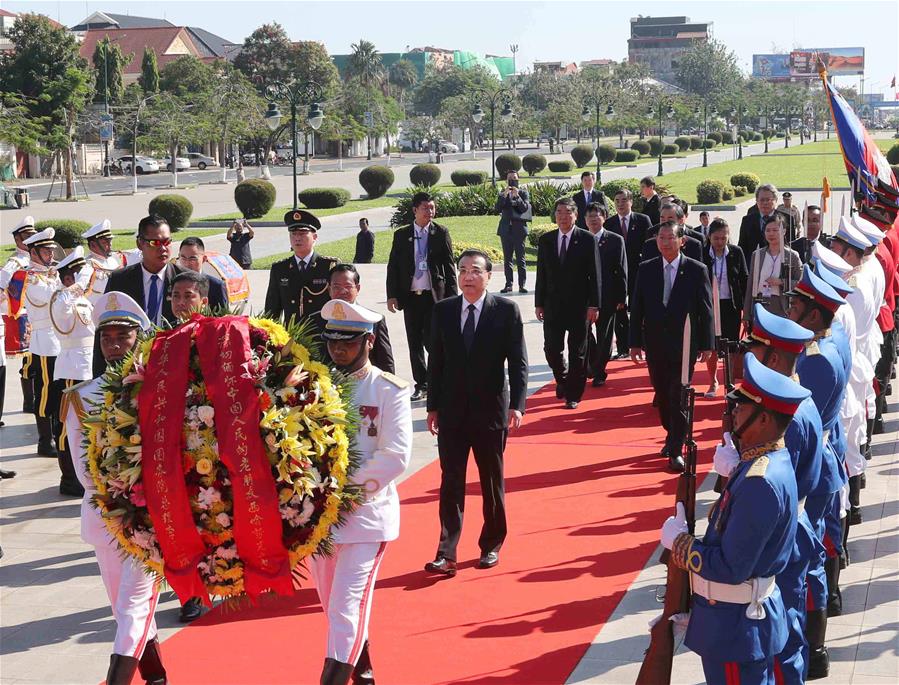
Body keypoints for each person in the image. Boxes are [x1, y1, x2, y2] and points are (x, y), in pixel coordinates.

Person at [660, 353, 809, 685]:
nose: (734, 412)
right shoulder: (762, 463)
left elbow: (731, 566)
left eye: (743, 408)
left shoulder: (761, 483)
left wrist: (681, 545)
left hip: (734, 628)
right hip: (732, 621)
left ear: (764, 421)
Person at [63, 291, 167, 685]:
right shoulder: (81, 397)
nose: (113, 344)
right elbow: (81, 467)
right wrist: (116, 497)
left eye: (123, 336)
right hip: (107, 516)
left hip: (151, 519)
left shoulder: (161, 390)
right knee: (122, 607)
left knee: (135, 605)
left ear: (139, 338)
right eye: (107, 337)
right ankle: (157, 677)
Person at [719, 305, 823, 684]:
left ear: (775, 356)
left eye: (757, 350)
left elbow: (769, 492)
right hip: (790, 525)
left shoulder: (785, 420)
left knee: (781, 646)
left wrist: (735, 468)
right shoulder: (794, 401)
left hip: (781, 536)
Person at [312, 298, 412, 685]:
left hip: (365, 518)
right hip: (320, 522)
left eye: (348, 342)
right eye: (333, 342)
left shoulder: (388, 390)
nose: (338, 350)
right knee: (333, 608)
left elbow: (395, 457)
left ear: (368, 341)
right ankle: (364, 674)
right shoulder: (313, 386)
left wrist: (339, 490)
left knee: (345, 608)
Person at [424, 249, 527, 576]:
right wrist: (433, 406)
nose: (468, 277)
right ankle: (446, 553)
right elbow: (436, 362)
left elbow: (519, 362)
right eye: (463, 270)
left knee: (491, 481)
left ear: (488, 276)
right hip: (452, 412)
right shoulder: (443, 311)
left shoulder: (506, 311)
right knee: (450, 481)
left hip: (491, 412)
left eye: (476, 271)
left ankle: (491, 543)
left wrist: (517, 405)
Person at [784, 265, 848, 679]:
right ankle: (814, 649)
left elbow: (800, 425)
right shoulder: (828, 340)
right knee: (812, 556)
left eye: (795, 304)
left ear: (811, 315)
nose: (790, 309)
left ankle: (813, 651)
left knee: (804, 563)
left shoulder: (814, 361)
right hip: (824, 455)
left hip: (813, 467)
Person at [629, 221, 714, 470]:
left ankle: (677, 447)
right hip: (655, 343)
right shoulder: (646, 269)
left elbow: (706, 310)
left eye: (670, 238)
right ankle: (671, 433)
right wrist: (634, 343)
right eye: (661, 238)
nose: (665, 242)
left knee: (679, 395)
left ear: (682, 241)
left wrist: (707, 344)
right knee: (663, 396)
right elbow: (638, 307)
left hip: (684, 343)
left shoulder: (696, 270)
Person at [385, 192, 458, 401]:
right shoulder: (401, 235)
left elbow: (449, 267)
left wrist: (453, 298)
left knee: (433, 341)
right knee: (414, 342)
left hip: (434, 297)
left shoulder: (440, 233)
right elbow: (393, 267)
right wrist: (392, 295)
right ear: (415, 210)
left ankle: (439, 380)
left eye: (432, 208)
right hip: (410, 298)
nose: (430, 212)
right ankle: (422, 384)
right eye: (426, 208)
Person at [535, 198, 599, 409]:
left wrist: (594, 305)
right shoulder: (546, 240)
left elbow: (595, 275)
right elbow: (541, 274)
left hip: (579, 306)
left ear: (575, 215)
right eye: (559, 212)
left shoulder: (587, 239)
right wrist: (539, 303)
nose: (563, 216)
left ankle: (574, 394)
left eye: (567, 212)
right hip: (552, 305)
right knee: (551, 348)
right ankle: (562, 379)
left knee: (578, 352)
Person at [49, 247, 92, 497]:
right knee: (67, 427)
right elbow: (62, 312)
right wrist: (76, 286)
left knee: (85, 426)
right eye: (77, 273)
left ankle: (82, 472)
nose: (83, 279)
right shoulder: (60, 298)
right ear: (67, 278)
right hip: (70, 370)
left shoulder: (80, 298)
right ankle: (69, 478)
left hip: (86, 369)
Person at [311, 264, 395, 373]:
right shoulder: (315, 319)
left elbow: (385, 361)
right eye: (336, 287)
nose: (342, 291)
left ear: (358, 288)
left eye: (348, 286)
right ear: (329, 289)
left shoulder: (373, 319)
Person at [23, 228, 62, 458]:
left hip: (58, 340)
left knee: (58, 390)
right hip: (44, 342)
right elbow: (53, 298)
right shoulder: (33, 279)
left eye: (51, 250)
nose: (50, 254)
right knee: (46, 392)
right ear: (34, 252)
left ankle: (56, 434)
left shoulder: (51, 274)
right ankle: (44, 441)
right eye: (45, 251)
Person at [264, 209, 338, 332]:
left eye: (303, 233)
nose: (297, 238)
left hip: (323, 337)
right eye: (293, 234)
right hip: (292, 339)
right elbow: (272, 310)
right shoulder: (280, 269)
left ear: (314, 237)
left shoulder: (329, 266)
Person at [701, 219, 748, 397]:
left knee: (731, 345)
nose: (720, 242)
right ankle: (713, 380)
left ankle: (730, 381)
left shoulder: (736, 253)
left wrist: (746, 310)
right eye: (716, 238)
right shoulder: (703, 253)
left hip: (731, 305)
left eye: (723, 238)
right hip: (709, 305)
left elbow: (744, 279)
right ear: (709, 237)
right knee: (711, 345)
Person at [603, 188, 652, 359]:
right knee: (620, 310)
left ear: (631, 201)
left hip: (639, 271)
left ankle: (644, 345)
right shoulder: (609, 223)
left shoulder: (643, 220)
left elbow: (650, 245)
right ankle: (623, 347)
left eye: (624, 200)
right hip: (618, 275)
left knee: (641, 309)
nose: (620, 204)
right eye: (617, 201)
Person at [583, 203, 627, 387]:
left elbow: (621, 269)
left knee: (605, 336)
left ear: (604, 217)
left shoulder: (615, 240)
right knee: (584, 334)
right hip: (584, 297)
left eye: (597, 215)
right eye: (589, 216)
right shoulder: (580, 239)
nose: (593, 219)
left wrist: (621, 297)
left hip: (607, 296)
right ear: (584, 219)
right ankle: (592, 362)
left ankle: (600, 370)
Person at [1, 216, 37, 414]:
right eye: (26, 237)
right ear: (17, 240)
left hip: (38, 313)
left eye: (33, 235)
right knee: (29, 358)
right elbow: (2, 282)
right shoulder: (16, 262)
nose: (31, 240)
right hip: (23, 314)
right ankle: (29, 400)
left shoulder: (36, 258)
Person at [743, 214, 801, 325]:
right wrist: (746, 314)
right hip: (760, 303)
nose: (771, 234)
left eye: (775, 230)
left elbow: (800, 283)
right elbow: (751, 285)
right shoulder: (757, 255)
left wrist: (781, 282)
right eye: (768, 230)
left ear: (783, 231)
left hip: (782, 306)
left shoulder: (792, 256)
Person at [80, 219, 142, 304]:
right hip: (96, 311)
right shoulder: (87, 265)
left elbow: (139, 254)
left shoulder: (116, 258)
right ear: (93, 245)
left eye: (110, 240)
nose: (110, 244)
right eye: (105, 242)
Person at [494, 171, 531, 293]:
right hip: (506, 230)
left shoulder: (523, 193)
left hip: (519, 230)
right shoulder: (502, 194)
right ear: (506, 180)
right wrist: (504, 196)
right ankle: (508, 284)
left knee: (520, 258)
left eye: (514, 178)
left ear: (518, 179)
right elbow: (497, 208)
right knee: (507, 259)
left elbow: (524, 208)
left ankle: (522, 284)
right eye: (510, 178)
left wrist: (517, 197)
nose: (512, 180)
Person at [739, 184, 783, 257]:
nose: (765, 203)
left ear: (776, 200)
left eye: (768, 200)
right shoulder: (747, 221)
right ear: (756, 201)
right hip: (754, 265)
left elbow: (791, 246)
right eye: (762, 200)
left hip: (778, 264)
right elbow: (742, 247)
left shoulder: (786, 219)